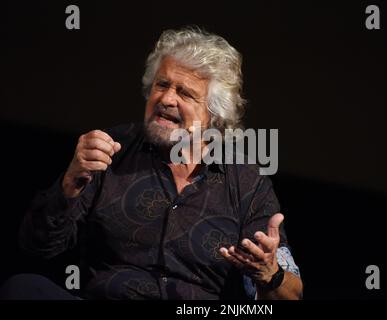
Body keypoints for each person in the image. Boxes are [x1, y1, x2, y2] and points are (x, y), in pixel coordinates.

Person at [1, 27, 302, 300]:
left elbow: (292, 295)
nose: (167, 98)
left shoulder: (247, 182)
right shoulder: (109, 150)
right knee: (24, 287)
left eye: (184, 92)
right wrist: (70, 184)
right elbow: (37, 247)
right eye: (162, 85)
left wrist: (269, 273)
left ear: (215, 115)